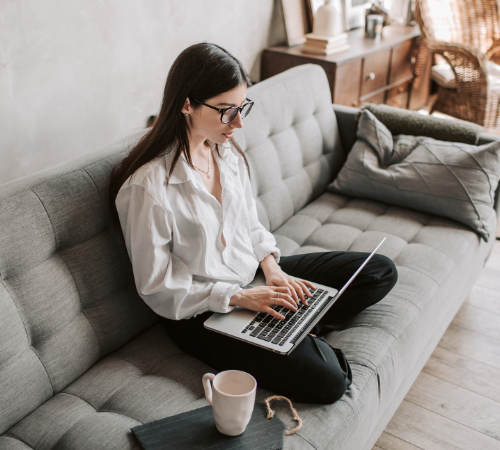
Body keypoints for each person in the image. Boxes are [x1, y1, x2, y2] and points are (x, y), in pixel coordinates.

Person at [109, 43, 398, 405]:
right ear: (187, 104)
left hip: (254, 279)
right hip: (202, 311)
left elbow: (250, 223)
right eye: (227, 111)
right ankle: (294, 330)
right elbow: (157, 287)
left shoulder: (224, 151)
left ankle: (291, 324)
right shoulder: (148, 187)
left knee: (379, 271)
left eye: (242, 108)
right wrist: (240, 298)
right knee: (330, 382)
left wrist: (273, 269)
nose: (240, 123)